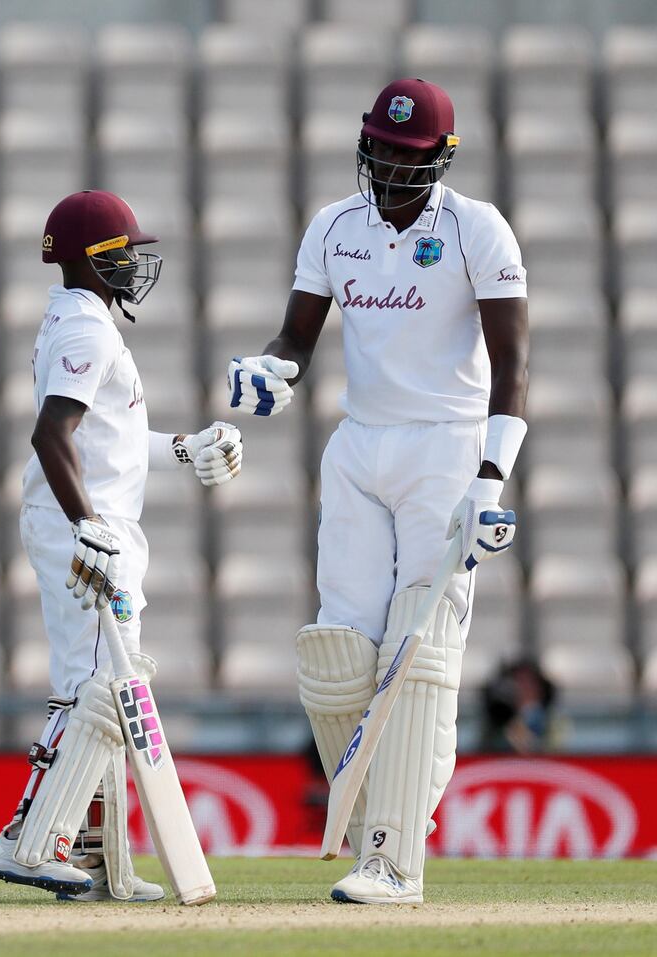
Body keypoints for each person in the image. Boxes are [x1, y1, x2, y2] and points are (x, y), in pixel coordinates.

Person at [228, 78, 528, 904]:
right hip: (359, 444)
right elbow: (297, 336)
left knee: (418, 650)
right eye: (381, 148)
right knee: (336, 653)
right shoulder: (334, 225)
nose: (390, 166)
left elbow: (513, 364)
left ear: (440, 156)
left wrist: (491, 479)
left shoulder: (478, 229)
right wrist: (271, 369)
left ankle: (396, 859)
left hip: (447, 444)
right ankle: (378, 834)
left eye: (407, 153)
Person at [0, 190, 242, 902]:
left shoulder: (85, 321)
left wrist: (185, 448)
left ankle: (97, 859)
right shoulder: (87, 332)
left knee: (98, 688)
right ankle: (28, 840)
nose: (134, 263)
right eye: (122, 251)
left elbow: (113, 444)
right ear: (91, 259)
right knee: (94, 690)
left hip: (90, 521)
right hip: (86, 529)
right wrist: (86, 526)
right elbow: (51, 435)